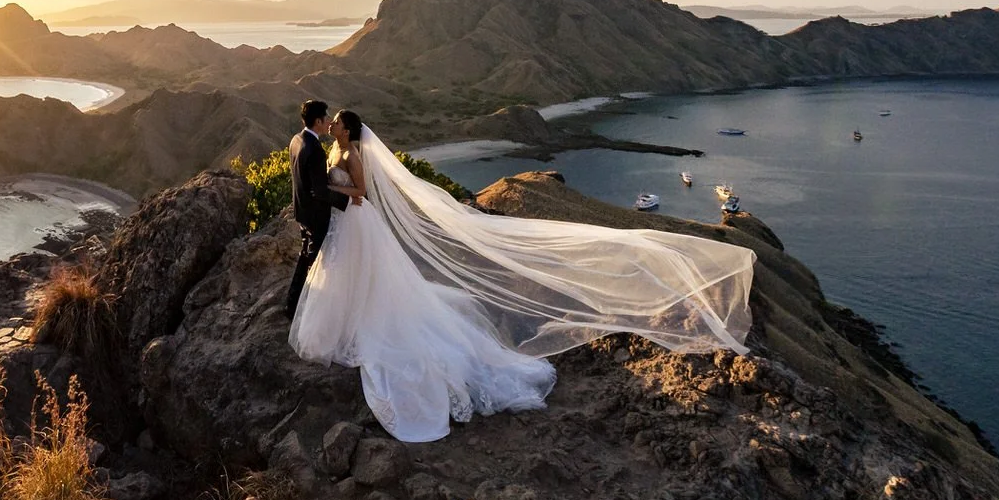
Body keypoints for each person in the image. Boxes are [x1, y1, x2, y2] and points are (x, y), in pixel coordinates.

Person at [288, 109, 755, 442]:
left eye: (339, 123)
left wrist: (338, 190)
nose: (334, 126)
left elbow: (360, 189)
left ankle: (362, 319)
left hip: (356, 219)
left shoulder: (351, 153)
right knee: (351, 273)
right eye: (332, 122)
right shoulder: (333, 148)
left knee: (366, 275)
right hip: (348, 223)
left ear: (348, 128)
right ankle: (350, 316)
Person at [283, 99, 348, 317]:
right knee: (317, 261)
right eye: (326, 117)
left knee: (305, 255)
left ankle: (292, 303)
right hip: (316, 214)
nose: (329, 121)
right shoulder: (315, 150)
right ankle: (311, 310)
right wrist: (346, 202)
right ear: (318, 121)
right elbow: (320, 191)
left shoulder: (296, 140)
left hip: (301, 209)